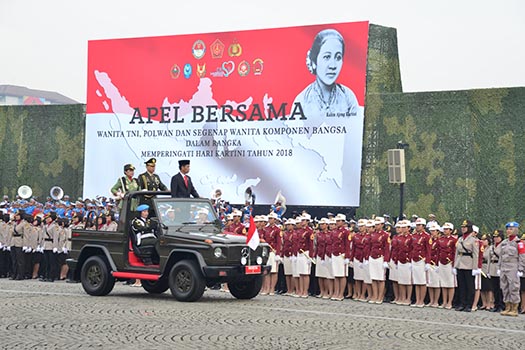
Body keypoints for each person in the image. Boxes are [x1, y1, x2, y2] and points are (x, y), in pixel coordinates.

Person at [294, 29, 358, 118]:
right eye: (327, 57)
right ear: (314, 61)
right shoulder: (302, 101)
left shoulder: (348, 97)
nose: (333, 65)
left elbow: (354, 128)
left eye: (338, 57)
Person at [498, 221, 525, 316]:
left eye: (511, 229)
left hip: (513, 267)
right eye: (508, 229)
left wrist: (521, 269)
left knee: (514, 287)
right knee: (504, 287)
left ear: (516, 230)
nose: (508, 231)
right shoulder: (504, 242)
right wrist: (499, 267)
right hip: (504, 267)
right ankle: (507, 307)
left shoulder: (519, 243)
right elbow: (501, 256)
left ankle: (514, 308)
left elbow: (522, 257)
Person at [454, 220, 481, 312]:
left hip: (469, 264)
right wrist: (455, 265)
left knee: (470, 286)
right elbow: (456, 253)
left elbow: (476, 254)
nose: (463, 228)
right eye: (462, 227)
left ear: (469, 228)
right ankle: (462, 303)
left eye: (465, 227)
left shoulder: (474, 240)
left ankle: (469, 304)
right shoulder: (460, 239)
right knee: (461, 285)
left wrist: (475, 267)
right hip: (460, 263)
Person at [410, 218, 431, 307]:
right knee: (416, 281)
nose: (417, 227)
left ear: (423, 226)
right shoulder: (414, 236)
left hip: (422, 259)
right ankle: (417, 300)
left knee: (422, 282)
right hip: (414, 259)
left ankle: (421, 300)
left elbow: (428, 250)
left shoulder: (426, 236)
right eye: (417, 225)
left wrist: (427, 262)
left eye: (419, 225)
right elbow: (411, 248)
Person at [437, 222, 457, 309]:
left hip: (449, 262)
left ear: (451, 230)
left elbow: (455, 252)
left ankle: (450, 302)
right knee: (444, 282)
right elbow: (438, 251)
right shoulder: (440, 239)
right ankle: (444, 301)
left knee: (450, 283)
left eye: (447, 229)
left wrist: (454, 265)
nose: (445, 231)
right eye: (444, 229)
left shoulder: (453, 240)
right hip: (441, 262)